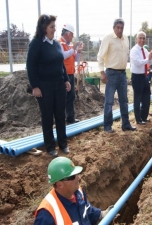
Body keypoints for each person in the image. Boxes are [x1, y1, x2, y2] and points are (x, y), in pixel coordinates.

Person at [26, 14, 71, 157]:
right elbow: (30, 66)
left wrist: (66, 80)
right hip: (44, 87)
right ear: (44, 28)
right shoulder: (37, 43)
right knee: (47, 117)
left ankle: (63, 144)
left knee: (60, 115)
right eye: (52, 27)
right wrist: (35, 86)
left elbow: (61, 64)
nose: (54, 29)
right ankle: (50, 146)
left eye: (54, 27)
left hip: (59, 85)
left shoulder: (56, 44)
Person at [34, 157, 113, 225]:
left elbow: (87, 212)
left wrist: (101, 214)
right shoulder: (47, 213)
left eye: (76, 174)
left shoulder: (79, 192)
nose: (78, 177)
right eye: (72, 176)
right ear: (59, 184)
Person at [97, 18, 136, 133]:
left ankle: (126, 124)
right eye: (117, 27)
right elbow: (100, 56)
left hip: (122, 74)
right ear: (114, 28)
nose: (119, 30)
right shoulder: (108, 38)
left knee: (124, 100)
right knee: (109, 101)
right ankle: (107, 126)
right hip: (111, 74)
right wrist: (102, 73)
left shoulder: (125, 39)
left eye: (121, 28)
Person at [58, 23, 84, 124]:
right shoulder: (60, 44)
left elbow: (74, 58)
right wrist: (73, 49)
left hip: (71, 74)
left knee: (71, 96)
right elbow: (62, 56)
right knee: (62, 98)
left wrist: (78, 52)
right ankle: (61, 119)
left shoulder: (69, 45)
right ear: (67, 34)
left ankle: (70, 118)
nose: (72, 37)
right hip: (63, 75)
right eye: (72, 34)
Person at [130, 32, 152, 125]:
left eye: (143, 38)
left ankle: (144, 116)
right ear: (136, 39)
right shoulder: (134, 50)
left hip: (144, 76)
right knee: (137, 98)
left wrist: (151, 56)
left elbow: (151, 61)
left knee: (146, 98)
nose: (142, 40)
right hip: (137, 76)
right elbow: (138, 62)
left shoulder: (144, 50)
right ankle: (138, 119)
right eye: (140, 38)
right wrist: (148, 59)